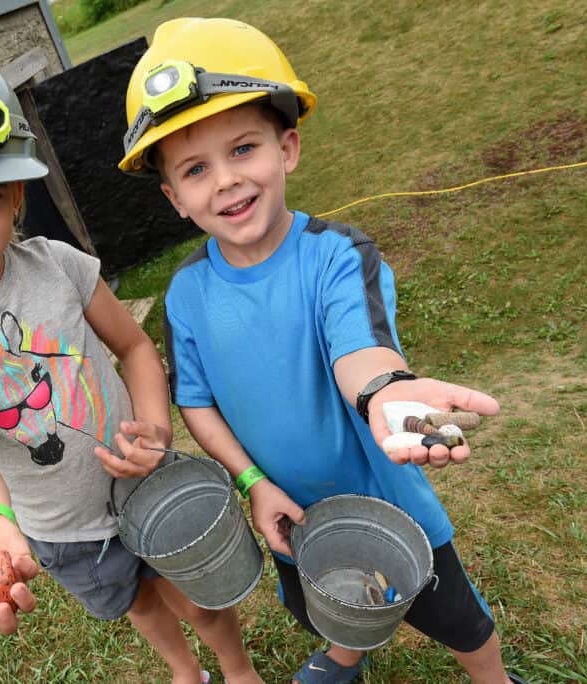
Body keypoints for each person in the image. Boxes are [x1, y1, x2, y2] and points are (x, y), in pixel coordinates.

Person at [117, 17, 526, 684]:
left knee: (451, 611)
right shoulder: (185, 296)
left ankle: (493, 678)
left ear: (289, 148)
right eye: (195, 169)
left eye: (243, 149)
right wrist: (254, 484)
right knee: (321, 601)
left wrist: (384, 394)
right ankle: (343, 656)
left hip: (382, 497)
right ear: (175, 200)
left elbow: (359, 354)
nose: (224, 181)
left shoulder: (337, 256)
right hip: (289, 504)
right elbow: (196, 401)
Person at [0, 44, 263, 684]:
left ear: (15, 194)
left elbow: (135, 348)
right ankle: (185, 672)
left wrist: (154, 426)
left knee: (202, 601)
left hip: (145, 483)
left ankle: (237, 672)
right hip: (62, 530)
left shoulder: (58, 264)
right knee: (137, 603)